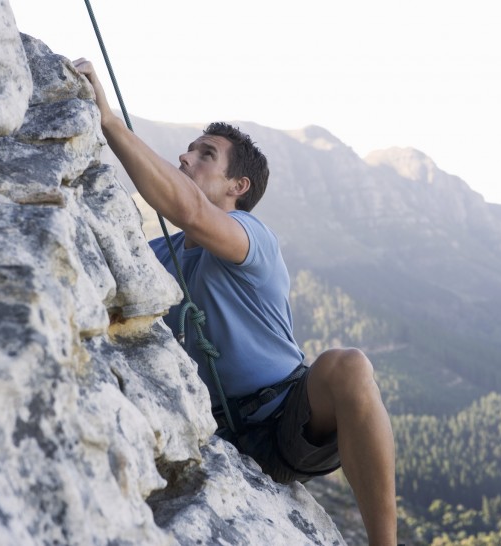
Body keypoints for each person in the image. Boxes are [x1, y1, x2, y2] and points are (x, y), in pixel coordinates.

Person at [74, 58, 398, 546]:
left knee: (347, 366)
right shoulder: (160, 254)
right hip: (212, 428)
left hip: (287, 419)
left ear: (237, 187)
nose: (185, 158)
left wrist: (110, 121)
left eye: (204, 155)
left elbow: (188, 208)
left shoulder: (252, 238)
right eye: (187, 151)